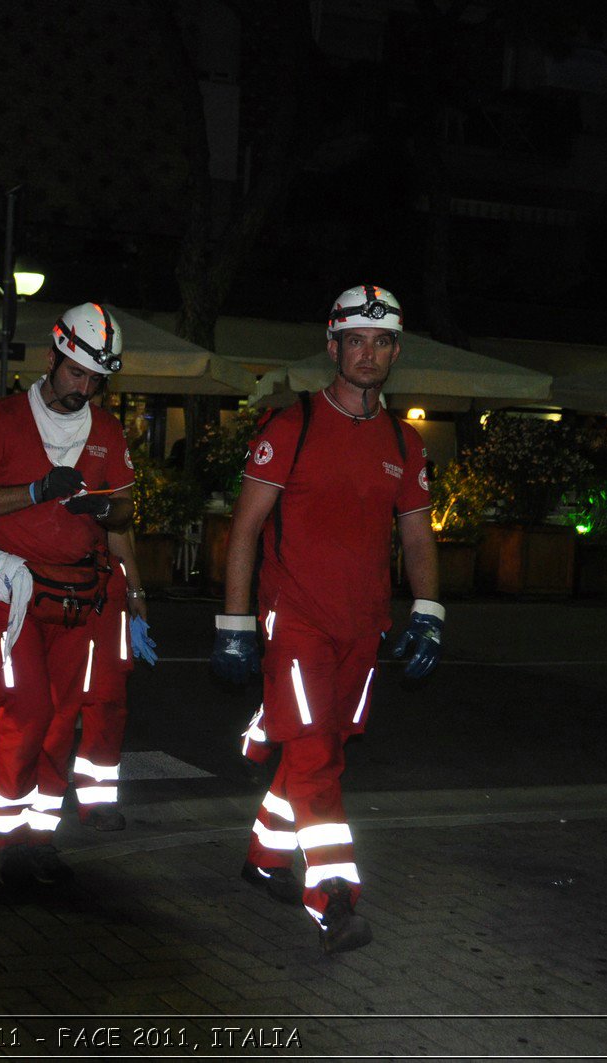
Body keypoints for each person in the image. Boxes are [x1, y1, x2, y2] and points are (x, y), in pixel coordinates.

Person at [211, 283, 443, 954]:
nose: (368, 354)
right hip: (298, 622)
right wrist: (234, 624)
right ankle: (334, 898)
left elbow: (419, 535)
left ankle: (264, 854)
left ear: (394, 350)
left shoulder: (405, 439)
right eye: (356, 340)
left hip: (363, 626)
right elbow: (246, 529)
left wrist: (428, 611)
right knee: (316, 759)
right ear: (333, 345)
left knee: (322, 749)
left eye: (381, 341)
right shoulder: (293, 425)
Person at [0, 302, 135, 888]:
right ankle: (2, 827)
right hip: (13, 589)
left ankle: (39, 835)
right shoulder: (1, 419)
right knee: (26, 711)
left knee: (62, 719)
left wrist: (107, 513)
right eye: (76, 373)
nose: (84, 388)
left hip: (83, 593)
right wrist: (34, 490)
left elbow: (126, 511)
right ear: (54, 357)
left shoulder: (107, 432)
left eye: (95, 380)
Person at [72, 529, 156, 831]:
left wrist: (134, 589)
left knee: (106, 700)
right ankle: (33, 797)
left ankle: (97, 800)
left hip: (103, 588)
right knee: (49, 703)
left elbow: (119, 526)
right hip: (53, 581)